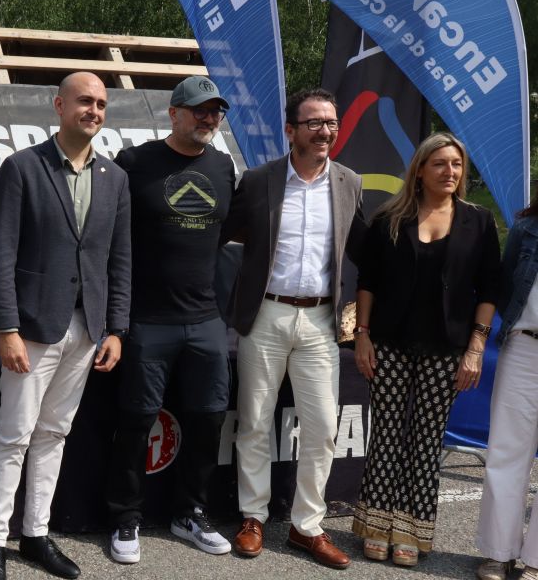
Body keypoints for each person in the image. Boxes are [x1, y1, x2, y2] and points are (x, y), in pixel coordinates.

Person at [0, 72, 132, 580]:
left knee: (54, 434)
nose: (94, 110)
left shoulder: (115, 178)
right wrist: (6, 329)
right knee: (14, 436)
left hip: (88, 330)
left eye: (101, 104)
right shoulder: (23, 167)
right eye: (85, 101)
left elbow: (119, 259)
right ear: (59, 105)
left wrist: (116, 329)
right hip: (31, 328)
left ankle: (35, 535)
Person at [221, 88, 363, 570]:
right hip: (266, 314)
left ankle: (307, 526)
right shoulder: (259, 180)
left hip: (321, 319)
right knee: (255, 421)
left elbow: (363, 248)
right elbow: (223, 236)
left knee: (323, 427)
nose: (325, 131)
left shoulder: (348, 182)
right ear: (291, 130)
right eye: (314, 123)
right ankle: (253, 516)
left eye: (331, 123)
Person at [351, 132, 499, 567]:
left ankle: (412, 531)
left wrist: (476, 347)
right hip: (389, 342)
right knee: (386, 435)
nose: (449, 172)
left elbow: (490, 288)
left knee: (426, 439)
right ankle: (375, 526)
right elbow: (367, 282)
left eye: (456, 164)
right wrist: (362, 335)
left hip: (447, 347)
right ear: (419, 170)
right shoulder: (389, 219)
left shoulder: (479, 221)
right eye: (439, 163)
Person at [104, 75, 235, 564]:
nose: (209, 118)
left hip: (205, 318)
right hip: (147, 319)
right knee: (136, 421)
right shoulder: (135, 162)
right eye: (199, 110)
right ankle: (125, 517)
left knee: (208, 418)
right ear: (174, 113)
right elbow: (110, 237)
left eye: (215, 111)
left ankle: (190, 513)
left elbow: (225, 234)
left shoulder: (223, 166)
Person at [476, 194, 538, 580]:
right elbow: (502, 287)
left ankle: (537, 561)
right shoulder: (527, 228)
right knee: (505, 452)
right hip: (524, 347)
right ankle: (498, 554)